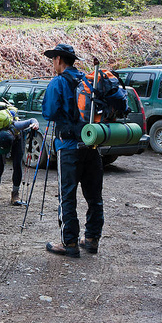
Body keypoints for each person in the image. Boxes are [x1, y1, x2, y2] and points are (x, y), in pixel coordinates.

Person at [42, 43, 104, 258]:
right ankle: (92, 239)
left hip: (68, 148)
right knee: (94, 195)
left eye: (53, 60)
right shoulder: (88, 81)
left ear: (59, 59)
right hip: (91, 144)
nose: (52, 64)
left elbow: (49, 112)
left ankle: (69, 243)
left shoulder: (58, 82)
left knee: (67, 196)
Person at [0, 115, 39, 207]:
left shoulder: (17, 125)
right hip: (1, 142)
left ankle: (15, 194)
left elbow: (32, 119)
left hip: (17, 141)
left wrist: (35, 124)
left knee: (17, 164)